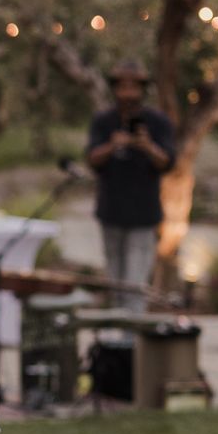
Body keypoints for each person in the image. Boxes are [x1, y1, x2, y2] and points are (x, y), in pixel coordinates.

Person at [85, 58, 176, 312]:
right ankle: (118, 330)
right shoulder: (104, 121)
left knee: (134, 284)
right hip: (111, 212)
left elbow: (168, 162)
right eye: (122, 86)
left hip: (143, 216)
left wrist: (147, 146)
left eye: (133, 87)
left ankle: (131, 333)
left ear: (142, 89)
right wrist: (112, 145)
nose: (128, 93)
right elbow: (91, 159)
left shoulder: (157, 122)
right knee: (115, 284)